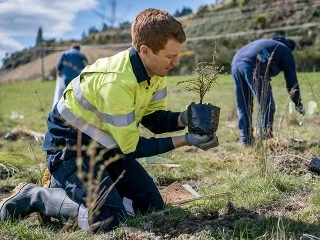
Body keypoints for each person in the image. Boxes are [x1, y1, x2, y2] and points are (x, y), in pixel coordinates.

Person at [0, 8, 219, 233]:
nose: (175, 62)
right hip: (71, 148)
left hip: (107, 146)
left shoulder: (155, 72)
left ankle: (79, 190)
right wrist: (186, 139)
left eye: (177, 54)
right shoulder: (116, 84)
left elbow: (152, 119)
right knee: (108, 219)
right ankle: (37, 196)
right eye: (170, 56)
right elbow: (132, 147)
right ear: (145, 51)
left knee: (150, 204)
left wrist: (185, 118)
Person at [231, 35, 305, 146]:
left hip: (236, 63)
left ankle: (246, 141)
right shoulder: (285, 50)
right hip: (253, 66)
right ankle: (265, 141)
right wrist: (298, 104)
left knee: (244, 105)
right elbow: (292, 82)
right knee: (267, 105)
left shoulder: (268, 43)